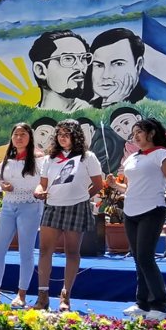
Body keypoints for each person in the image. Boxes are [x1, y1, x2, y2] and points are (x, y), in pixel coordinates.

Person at [106, 118, 166, 321]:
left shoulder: (163, 155)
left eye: (139, 131)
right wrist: (114, 185)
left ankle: (161, 306)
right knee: (138, 258)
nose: (135, 136)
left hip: (152, 210)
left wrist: (163, 204)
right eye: (133, 133)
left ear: (152, 133)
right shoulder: (132, 158)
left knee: (146, 257)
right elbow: (130, 188)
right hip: (131, 212)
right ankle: (143, 303)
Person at [33, 119, 104, 311]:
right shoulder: (50, 159)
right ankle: (42, 295)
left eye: (67, 134)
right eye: (60, 134)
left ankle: (65, 296)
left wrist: (83, 198)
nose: (62, 138)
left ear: (76, 135)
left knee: (72, 252)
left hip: (77, 207)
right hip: (53, 206)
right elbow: (43, 184)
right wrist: (38, 191)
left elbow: (98, 184)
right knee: (44, 250)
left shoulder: (87, 157)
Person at [0, 124, 44, 307]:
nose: (18, 138)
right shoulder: (8, 158)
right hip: (9, 205)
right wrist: (3, 185)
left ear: (30, 137)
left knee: (26, 251)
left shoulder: (39, 159)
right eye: (15, 134)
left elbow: (42, 182)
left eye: (23, 134)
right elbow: (1, 179)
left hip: (30, 206)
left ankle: (21, 295)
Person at [29, 30, 92, 113]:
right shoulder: (30, 118)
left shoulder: (90, 112)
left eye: (83, 58)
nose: (80, 66)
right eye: (68, 58)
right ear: (41, 70)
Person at [88, 28, 146, 108]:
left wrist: (112, 104)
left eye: (118, 64)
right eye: (99, 65)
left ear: (138, 65)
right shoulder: (89, 107)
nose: (106, 75)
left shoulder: (147, 105)